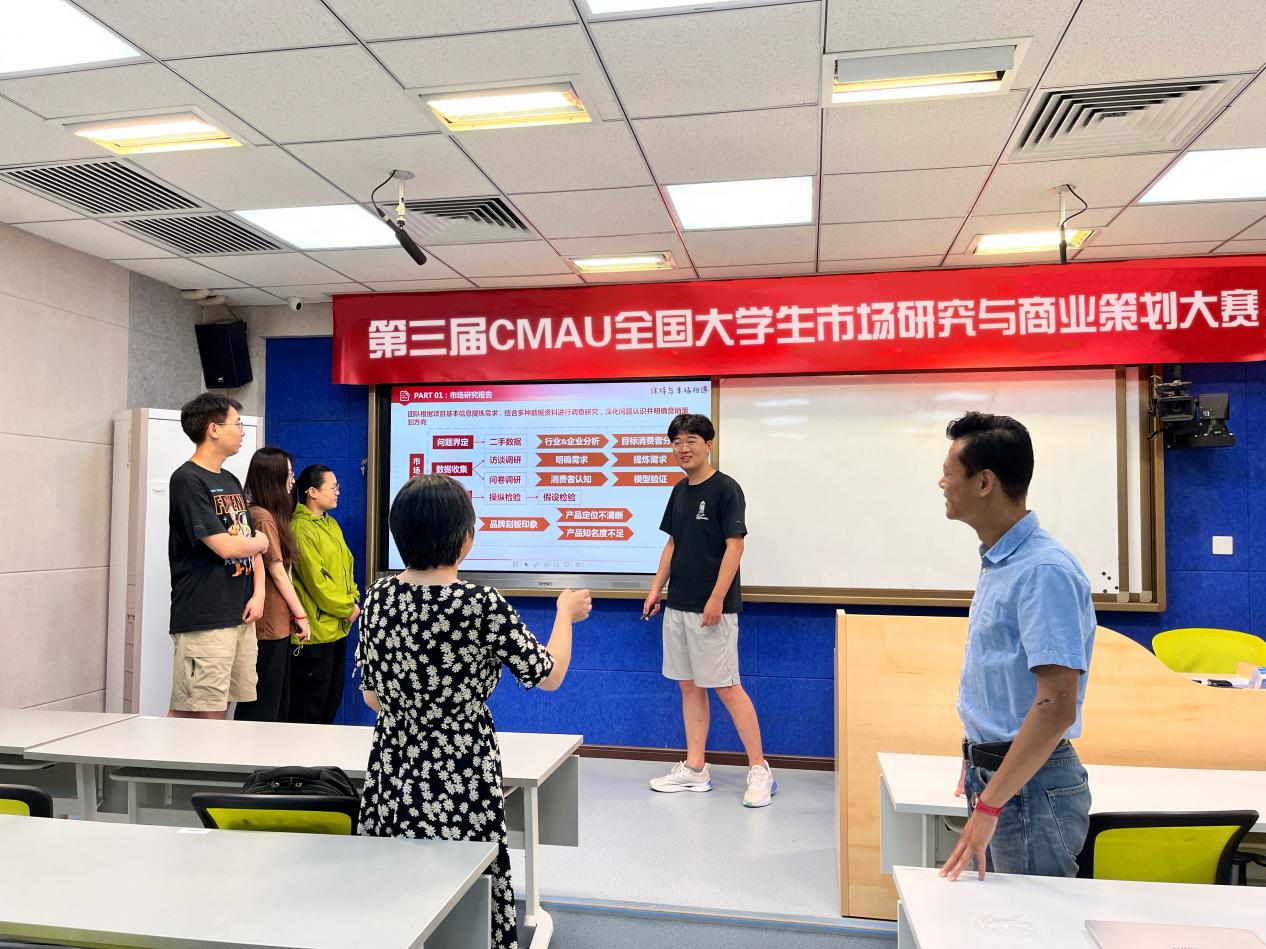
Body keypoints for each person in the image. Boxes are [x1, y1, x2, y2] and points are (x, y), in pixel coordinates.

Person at [356, 474, 590, 949]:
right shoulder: (480, 604)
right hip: (463, 763)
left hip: (393, 761)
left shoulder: (378, 597)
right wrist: (564, 615)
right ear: (465, 538)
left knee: (394, 876)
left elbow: (372, 698)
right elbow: (548, 675)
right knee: (468, 873)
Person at [937, 412, 1096, 882]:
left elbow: (1057, 705)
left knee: (1031, 917)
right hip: (1000, 775)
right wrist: (976, 757)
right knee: (1002, 913)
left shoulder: (1043, 570)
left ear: (984, 482)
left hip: (1027, 788)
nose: (942, 483)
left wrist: (990, 804)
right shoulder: (1002, 561)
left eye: (949, 472)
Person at [641, 413, 774, 807]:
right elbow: (672, 544)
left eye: (691, 441)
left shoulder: (726, 489)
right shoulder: (679, 491)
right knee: (688, 685)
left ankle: (760, 769)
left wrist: (716, 597)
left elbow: (736, 545)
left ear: (708, 444)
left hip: (713, 610)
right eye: (677, 442)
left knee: (727, 687)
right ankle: (696, 768)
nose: (683, 448)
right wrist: (656, 589)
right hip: (678, 605)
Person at [167, 393, 268, 720]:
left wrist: (260, 594)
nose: (242, 431)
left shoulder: (229, 479)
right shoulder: (188, 479)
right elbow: (227, 546)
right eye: (237, 424)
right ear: (213, 429)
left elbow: (248, 542)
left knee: (219, 710)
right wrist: (263, 540)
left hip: (240, 613)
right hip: (206, 615)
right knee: (198, 714)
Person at [234, 448, 311, 722]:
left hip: (277, 622)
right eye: (288, 474)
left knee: (276, 704)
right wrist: (301, 615)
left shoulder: (268, 514)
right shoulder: (262, 517)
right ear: (273, 478)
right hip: (268, 624)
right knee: (264, 705)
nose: (293, 481)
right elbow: (278, 571)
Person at [288, 464, 359, 724]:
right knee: (310, 710)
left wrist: (353, 598)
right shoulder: (300, 529)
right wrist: (347, 608)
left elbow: (347, 567)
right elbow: (317, 583)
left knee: (330, 704)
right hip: (314, 637)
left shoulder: (331, 524)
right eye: (333, 487)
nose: (338, 492)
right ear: (312, 492)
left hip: (337, 631)